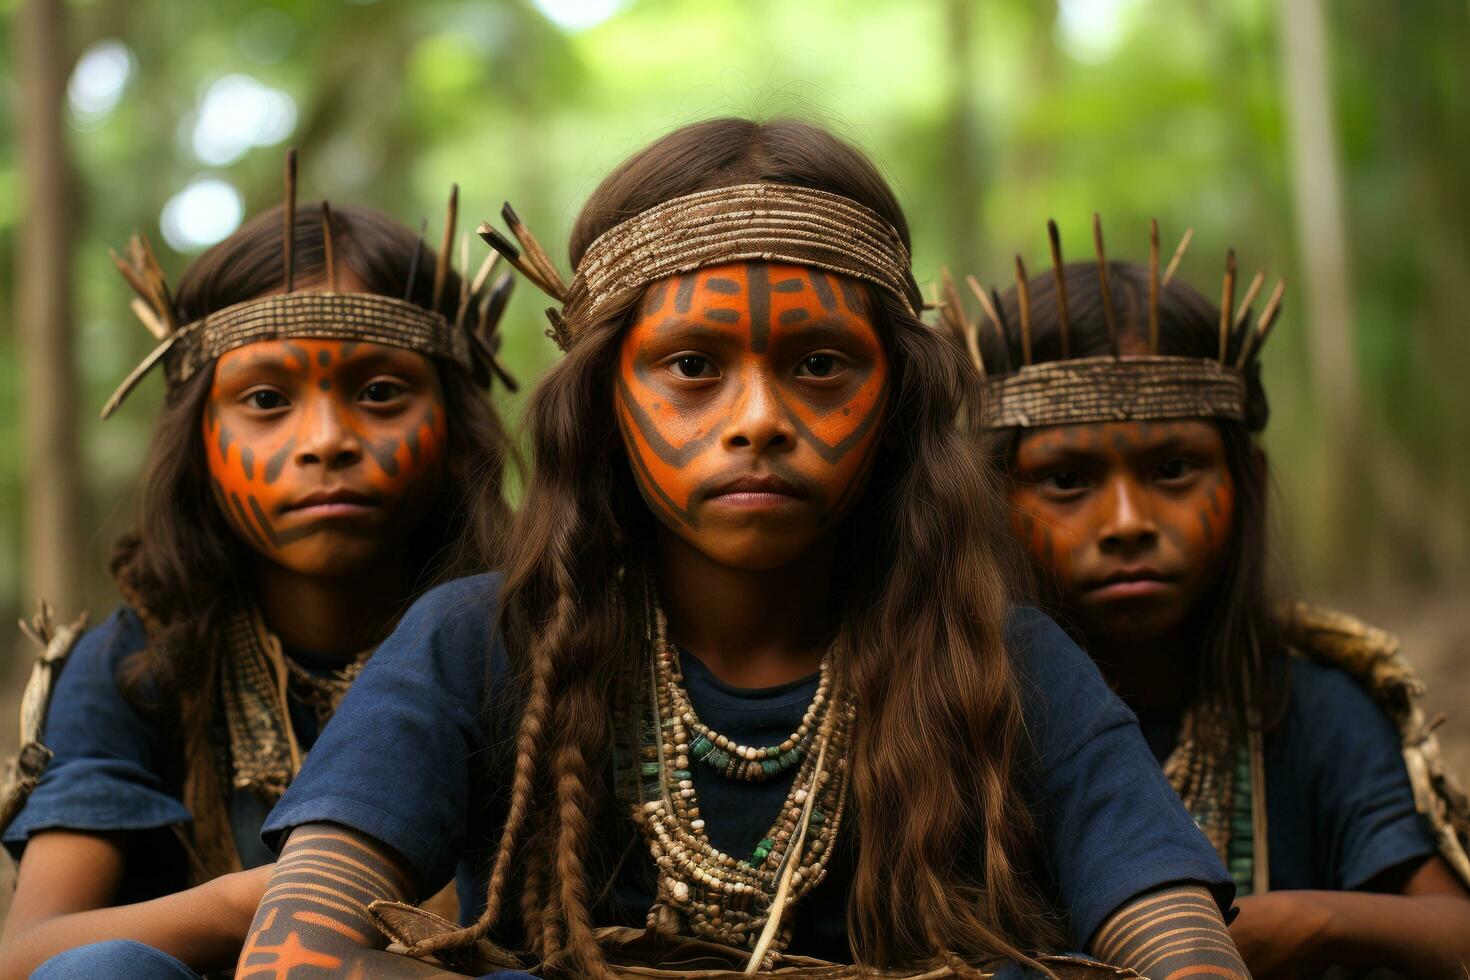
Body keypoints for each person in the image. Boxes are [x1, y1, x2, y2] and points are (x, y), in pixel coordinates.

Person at [228, 119, 1248, 979]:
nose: (758, 417)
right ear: (604, 402)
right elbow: (303, 929)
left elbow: (1177, 942)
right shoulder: (478, 636)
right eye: (691, 364)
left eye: (818, 363)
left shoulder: (1006, 658)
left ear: (896, 401)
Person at [0, 154, 518, 978]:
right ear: (198, 441)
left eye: (381, 391)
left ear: (456, 429)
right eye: (266, 401)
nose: (325, 440)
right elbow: (28, 952)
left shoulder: (533, 639)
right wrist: (296, 901)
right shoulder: (138, 665)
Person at [959, 216, 1470, 978]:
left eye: (1173, 470)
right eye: (1067, 481)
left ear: (1247, 484)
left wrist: (1315, 920)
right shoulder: (937, 712)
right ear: (987, 502)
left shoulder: (1307, 710)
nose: (1127, 523)